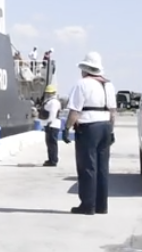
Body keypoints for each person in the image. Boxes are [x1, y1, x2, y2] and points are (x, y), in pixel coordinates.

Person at [63, 52, 117, 215]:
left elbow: (74, 111)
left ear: (85, 69)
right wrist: (111, 130)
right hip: (105, 126)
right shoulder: (109, 85)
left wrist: (66, 129)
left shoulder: (82, 84)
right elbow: (113, 112)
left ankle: (87, 205)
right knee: (102, 168)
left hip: (88, 127)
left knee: (87, 167)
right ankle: (102, 205)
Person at [40, 84, 61, 167]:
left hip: (52, 125)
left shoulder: (53, 102)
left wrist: (49, 123)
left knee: (52, 143)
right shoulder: (50, 101)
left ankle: (53, 160)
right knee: (50, 143)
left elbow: (53, 113)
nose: (48, 94)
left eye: (50, 93)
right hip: (51, 125)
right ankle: (51, 159)